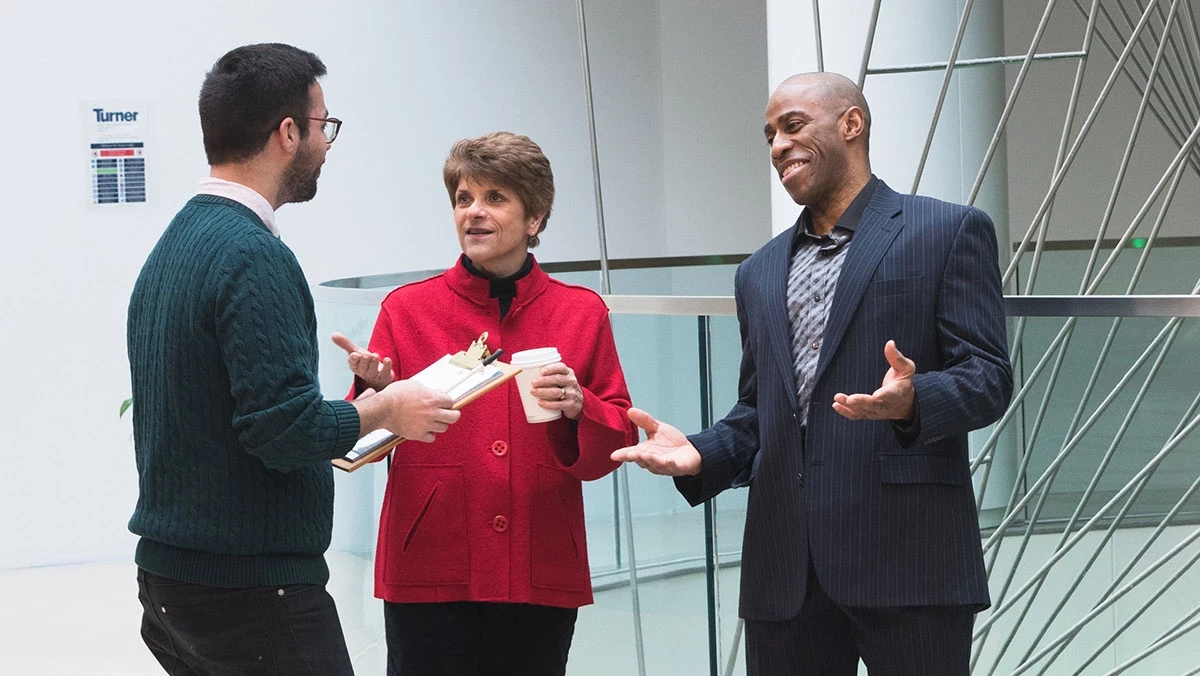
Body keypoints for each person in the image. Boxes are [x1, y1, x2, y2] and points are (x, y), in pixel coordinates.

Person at [612, 72, 1013, 675]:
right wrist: (698, 453)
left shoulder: (947, 231)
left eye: (792, 126)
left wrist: (911, 400)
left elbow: (987, 377)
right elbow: (760, 411)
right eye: (769, 135)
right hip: (784, 570)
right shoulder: (759, 272)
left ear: (851, 124)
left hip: (909, 557)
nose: (777, 146)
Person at [126, 43, 461, 676]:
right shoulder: (253, 256)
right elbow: (281, 433)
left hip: (173, 585)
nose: (327, 143)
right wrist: (390, 408)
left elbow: (231, 417)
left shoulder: (174, 247)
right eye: (322, 125)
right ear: (287, 133)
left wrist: (356, 406)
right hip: (250, 596)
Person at [332, 131, 635, 676]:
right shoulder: (406, 310)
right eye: (463, 198)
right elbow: (362, 445)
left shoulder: (582, 313)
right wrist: (377, 392)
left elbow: (617, 441)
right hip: (429, 561)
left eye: (496, 198)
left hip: (540, 560)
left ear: (534, 218)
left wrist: (578, 405)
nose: (474, 212)